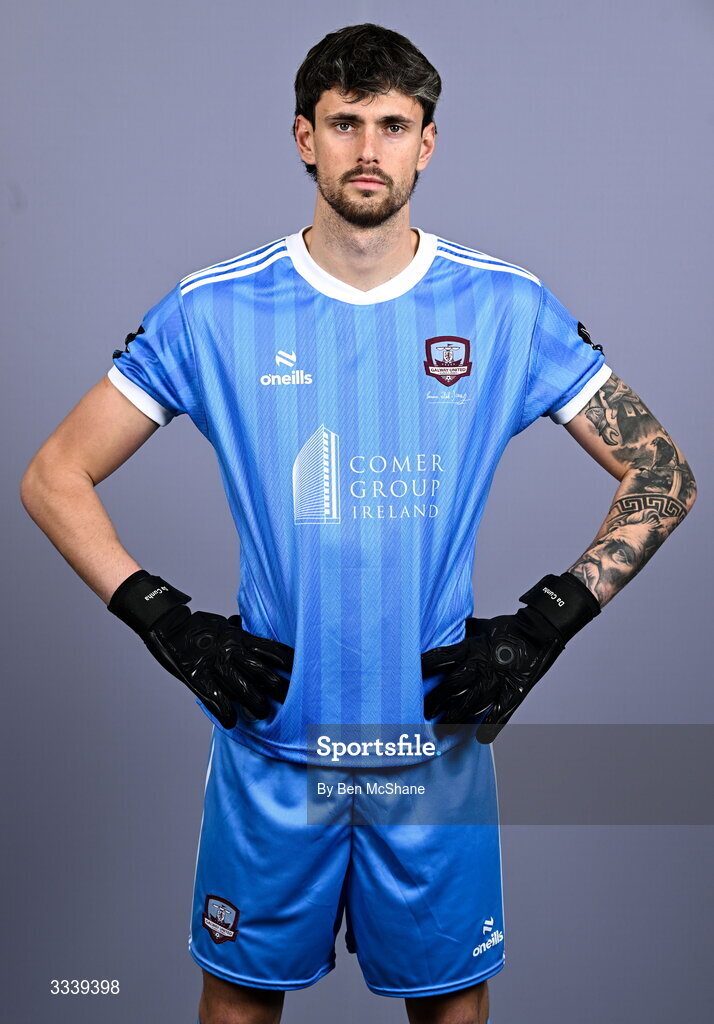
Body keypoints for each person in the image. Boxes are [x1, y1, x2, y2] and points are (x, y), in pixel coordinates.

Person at [20, 22, 696, 1024]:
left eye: (392, 124)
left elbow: (663, 473)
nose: (367, 149)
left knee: (450, 1009)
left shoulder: (507, 308)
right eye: (344, 123)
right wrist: (161, 615)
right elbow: (53, 475)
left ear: (428, 142)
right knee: (239, 1005)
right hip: (271, 747)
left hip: (433, 752)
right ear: (304, 136)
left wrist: (549, 618)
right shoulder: (216, 310)